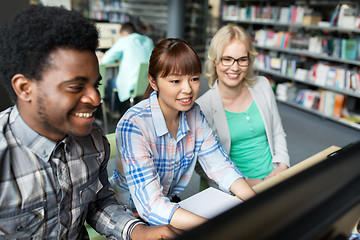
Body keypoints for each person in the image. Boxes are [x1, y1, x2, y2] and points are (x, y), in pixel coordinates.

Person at [0, 5, 179, 239]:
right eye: (75, 87)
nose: (96, 98)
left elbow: (98, 203)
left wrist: (137, 231)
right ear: (25, 88)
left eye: (96, 85)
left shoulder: (94, 141)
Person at [109, 38, 256, 231]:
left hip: (168, 204)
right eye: (175, 81)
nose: (187, 89)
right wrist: (215, 227)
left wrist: (257, 204)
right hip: (130, 214)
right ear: (153, 81)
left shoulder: (194, 113)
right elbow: (150, 205)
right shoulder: (134, 124)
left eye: (194, 79)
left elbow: (221, 166)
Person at [196, 25, 290, 188]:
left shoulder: (262, 86)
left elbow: (277, 131)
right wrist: (245, 183)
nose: (235, 67)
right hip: (238, 186)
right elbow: (201, 165)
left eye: (242, 60)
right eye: (227, 59)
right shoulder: (202, 107)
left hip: (275, 177)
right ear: (215, 61)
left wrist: (283, 166)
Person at [101, 22, 154, 113]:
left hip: (131, 85)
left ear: (124, 34)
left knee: (110, 82)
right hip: (147, 84)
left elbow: (106, 60)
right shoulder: (149, 41)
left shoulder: (124, 40)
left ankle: (114, 111)